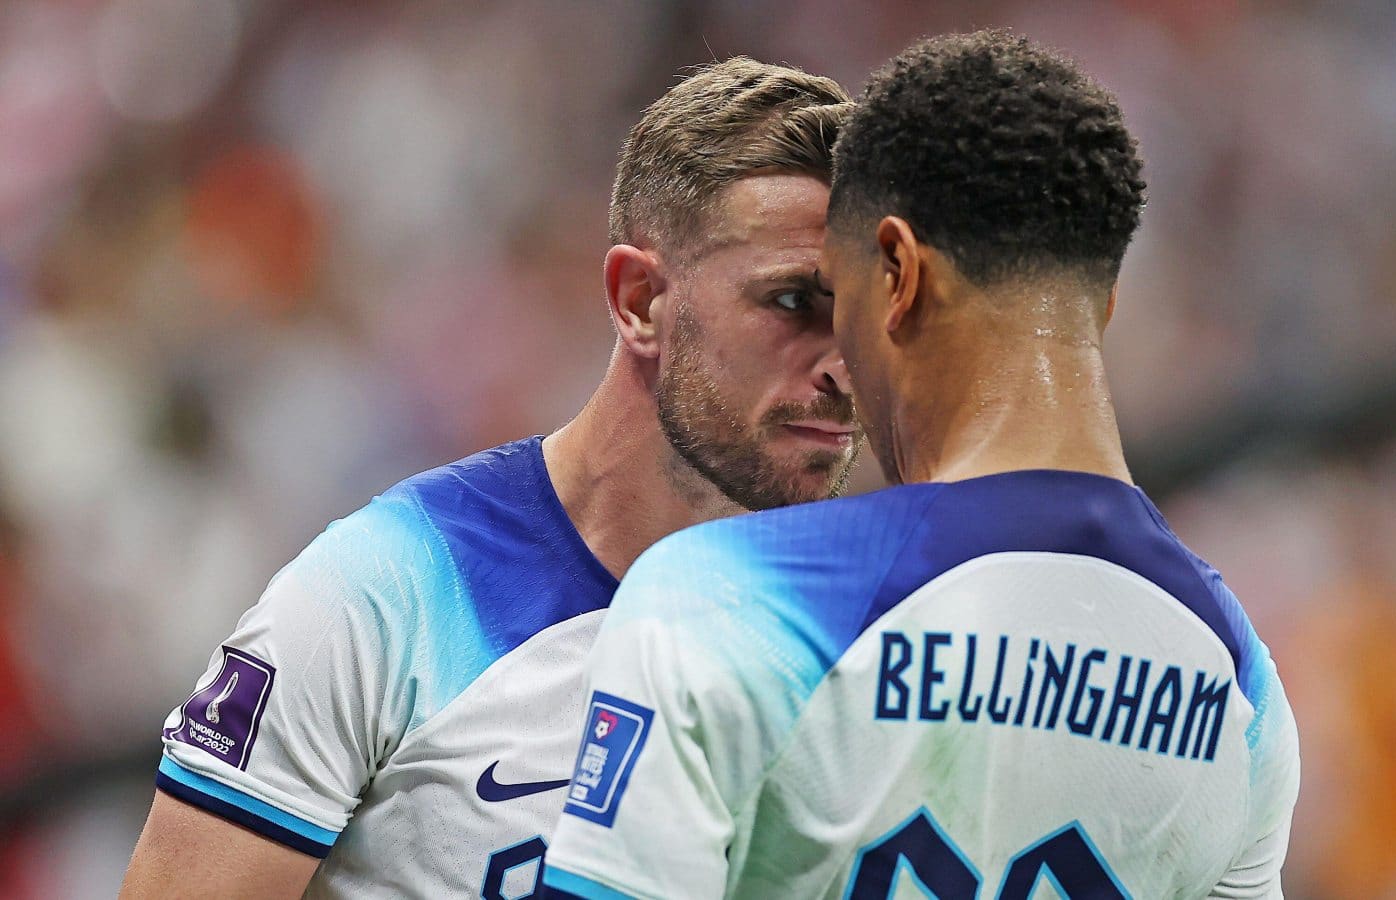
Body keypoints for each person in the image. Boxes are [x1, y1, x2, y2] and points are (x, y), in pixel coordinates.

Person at [539, 30, 1300, 899]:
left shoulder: (722, 600)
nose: (837, 365)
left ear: (897, 271)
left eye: (838, 295)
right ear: (1106, 300)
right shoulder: (1240, 683)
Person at [119, 57, 858, 899]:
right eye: (796, 302)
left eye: (869, 313)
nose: (844, 364)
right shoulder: (381, 597)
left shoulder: (873, 658)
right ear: (641, 300)